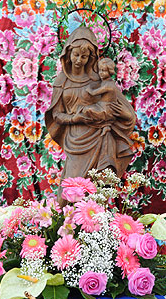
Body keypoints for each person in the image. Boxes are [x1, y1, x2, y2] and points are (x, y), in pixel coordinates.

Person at [45, 25, 137, 206]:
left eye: (84, 56)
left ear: (91, 57)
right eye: (75, 55)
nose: (79, 60)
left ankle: (93, 223)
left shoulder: (99, 80)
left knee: (95, 194)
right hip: (75, 140)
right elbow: (56, 115)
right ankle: (64, 223)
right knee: (67, 195)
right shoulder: (61, 81)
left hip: (99, 139)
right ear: (68, 53)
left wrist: (115, 117)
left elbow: (124, 111)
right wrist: (75, 118)